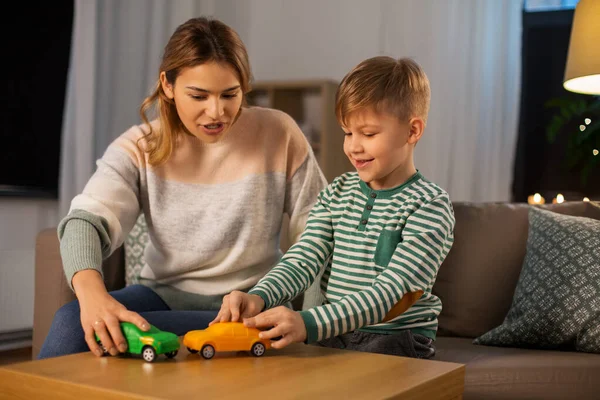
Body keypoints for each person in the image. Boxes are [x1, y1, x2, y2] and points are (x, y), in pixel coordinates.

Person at [38, 16, 327, 359]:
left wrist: (312, 324)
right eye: (199, 95)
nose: (216, 111)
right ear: (168, 86)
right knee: (71, 322)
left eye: (229, 94)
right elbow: (85, 220)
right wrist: (93, 298)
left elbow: (319, 228)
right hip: (162, 297)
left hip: (254, 303)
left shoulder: (279, 133)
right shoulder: (140, 146)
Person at [213, 56, 456, 359]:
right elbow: (304, 257)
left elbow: (396, 292)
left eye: (368, 134)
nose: (354, 146)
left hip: (395, 339)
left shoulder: (429, 206)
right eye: (347, 132)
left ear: (412, 131)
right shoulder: (336, 194)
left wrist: (309, 322)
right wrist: (259, 296)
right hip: (334, 333)